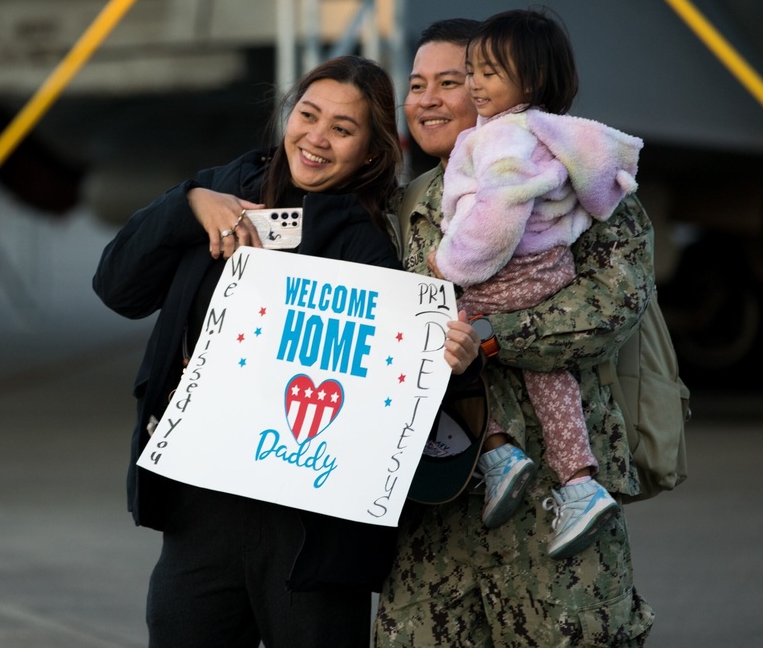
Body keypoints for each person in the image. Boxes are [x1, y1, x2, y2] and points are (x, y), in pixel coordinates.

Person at [93, 54, 478, 648]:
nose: (316, 138)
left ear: (370, 154)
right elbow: (117, 288)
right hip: (203, 506)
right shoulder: (223, 191)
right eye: (308, 114)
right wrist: (189, 204)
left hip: (309, 528)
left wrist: (451, 359)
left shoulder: (369, 248)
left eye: (342, 130)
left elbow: (392, 397)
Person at [375, 15, 655, 646]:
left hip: (555, 512)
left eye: (456, 79)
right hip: (439, 515)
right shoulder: (403, 205)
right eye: (417, 85)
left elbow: (615, 302)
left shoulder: (575, 186)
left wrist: (494, 336)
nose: (432, 98)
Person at [428, 9, 643, 558]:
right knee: (552, 384)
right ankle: (578, 480)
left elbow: (499, 213)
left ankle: (497, 449)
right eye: (471, 71)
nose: (475, 84)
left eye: (488, 73)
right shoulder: (552, 135)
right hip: (547, 270)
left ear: (535, 79)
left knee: (441, 334)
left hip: (506, 272)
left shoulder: (503, 137)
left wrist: (451, 261)